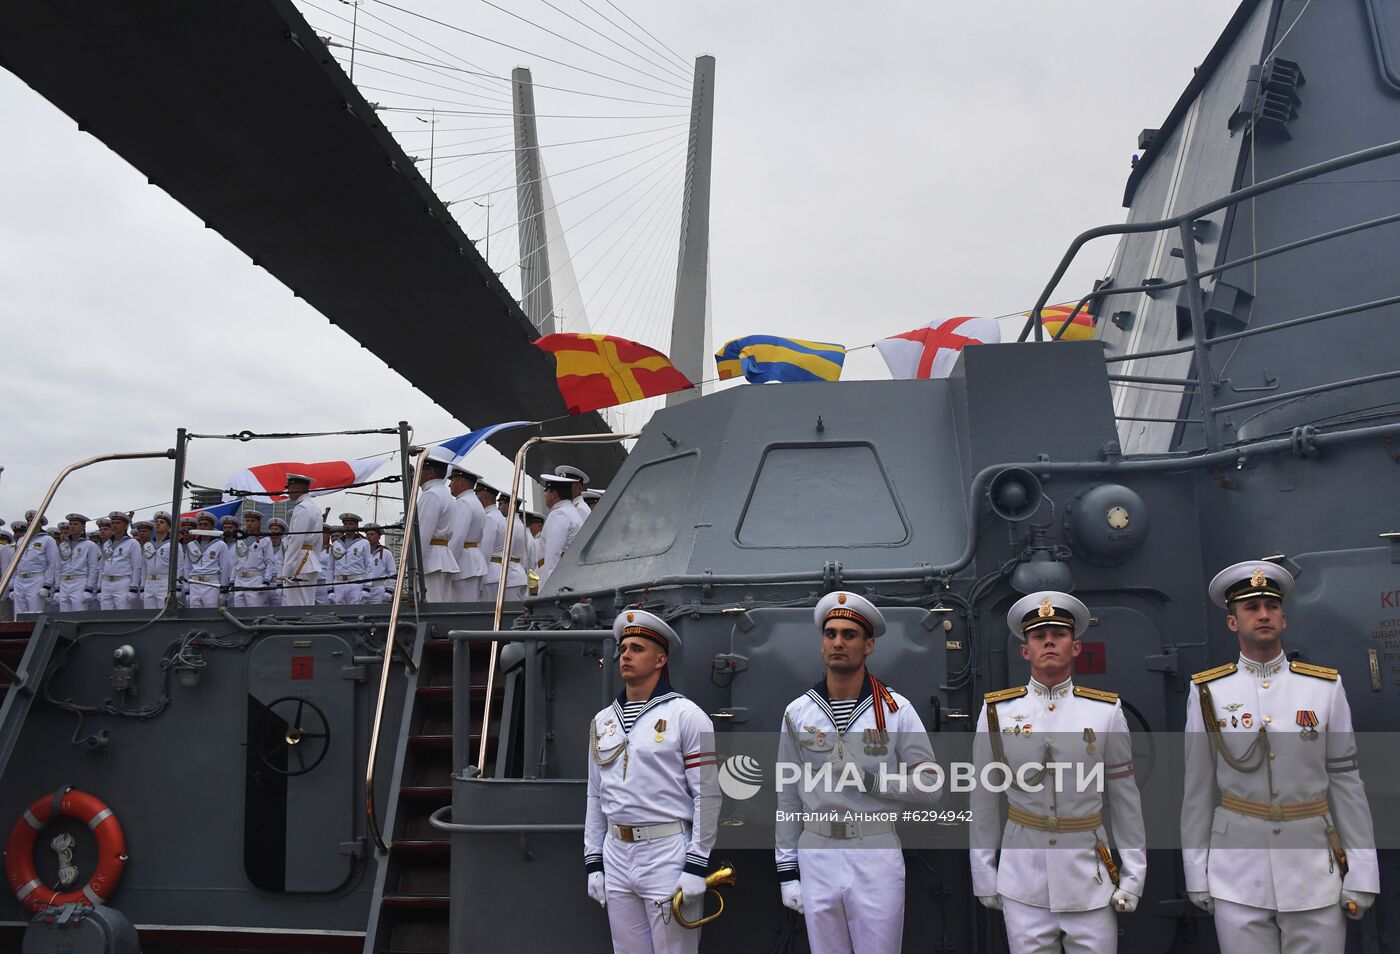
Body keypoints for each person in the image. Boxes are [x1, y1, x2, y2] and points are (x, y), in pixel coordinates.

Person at [1182, 561, 1378, 953]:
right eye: (1251, 608)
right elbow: (1198, 790)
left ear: (1284, 619)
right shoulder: (1208, 693)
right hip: (1237, 874)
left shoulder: (1323, 687)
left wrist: (1363, 870)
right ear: (1233, 623)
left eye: (1271, 607)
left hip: (1314, 872)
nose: (1263, 615)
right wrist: (1196, 871)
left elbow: (1346, 782)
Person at [969, 591, 1145, 953]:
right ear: (1025, 650)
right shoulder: (996, 714)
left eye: (1059, 634)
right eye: (1038, 636)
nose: (1049, 640)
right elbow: (984, 801)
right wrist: (984, 873)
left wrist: (1134, 874)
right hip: (1022, 880)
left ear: (1075, 647)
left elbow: (1126, 799)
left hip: (1090, 879)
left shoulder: (1105, 712)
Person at [774, 591, 940, 954]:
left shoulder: (896, 710)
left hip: (874, 849)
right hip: (816, 850)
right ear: (822, 644)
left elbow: (932, 785)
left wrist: (872, 781)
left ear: (869, 645)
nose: (838, 642)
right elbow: (786, 793)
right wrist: (787, 869)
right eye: (830, 633)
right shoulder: (799, 713)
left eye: (849, 635)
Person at [584, 608, 719, 954]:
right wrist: (594, 859)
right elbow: (595, 796)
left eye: (637, 648)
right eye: (623, 647)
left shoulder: (686, 716)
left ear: (660, 660)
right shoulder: (602, 721)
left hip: (666, 849)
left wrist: (696, 861)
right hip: (617, 851)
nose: (625, 654)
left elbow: (708, 795)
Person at [415, 447, 459, 602]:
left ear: (430, 472)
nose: (416, 475)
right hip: (443, 557)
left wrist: (412, 565)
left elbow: (422, 535)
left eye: (419, 470)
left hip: (431, 561)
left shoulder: (431, 495)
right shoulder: (445, 494)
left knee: (431, 607)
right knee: (443, 606)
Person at [281, 473, 324, 607]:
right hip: (309, 559)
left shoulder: (302, 508)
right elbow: (318, 541)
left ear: (296, 487)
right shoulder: (314, 507)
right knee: (307, 602)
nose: (288, 492)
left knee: (296, 604)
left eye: (290, 488)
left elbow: (296, 540)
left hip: (299, 560)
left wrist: (287, 569)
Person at [447, 465, 487, 602]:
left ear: (461, 481)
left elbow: (457, 538)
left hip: (463, 565)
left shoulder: (463, 503)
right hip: (473, 561)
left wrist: (448, 566)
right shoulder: (476, 503)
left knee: (459, 612)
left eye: (452, 480)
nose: (449, 485)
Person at [537, 473, 582, 587]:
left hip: (558, 581)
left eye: (546, 491)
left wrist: (549, 589)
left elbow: (553, 557)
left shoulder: (559, 514)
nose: (544, 495)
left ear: (554, 494)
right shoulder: (571, 511)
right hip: (568, 576)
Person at [9, 519, 59, 617]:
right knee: (18, 615)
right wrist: (12, 586)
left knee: (35, 614)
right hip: (20, 580)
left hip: (36, 579)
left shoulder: (48, 540)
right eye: (28, 521)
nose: (29, 523)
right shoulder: (21, 541)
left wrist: (47, 586)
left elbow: (53, 564)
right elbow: (15, 564)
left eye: (33, 520)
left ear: (40, 523)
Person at [184, 512, 230, 610]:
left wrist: (223, 590)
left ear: (212, 526)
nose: (202, 527)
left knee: (210, 612)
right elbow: (187, 567)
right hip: (194, 583)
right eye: (200, 524)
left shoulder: (220, 545)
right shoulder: (191, 545)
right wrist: (187, 589)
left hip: (211, 584)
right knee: (194, 612)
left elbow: (225, 568)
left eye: (206, 524)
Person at [99, 512, 143, 611]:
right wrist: (99, 587)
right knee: (105, 614)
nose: (114, 525)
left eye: (118, 523)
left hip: (122, 582)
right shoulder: (106, 544)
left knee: (122, 611)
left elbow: (136, 566)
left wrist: (134, 587)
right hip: (106, 582)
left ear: (126, 526)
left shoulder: (132, 543)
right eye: (113, 523)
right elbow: (102, 566)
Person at [58, 513, 100, 612]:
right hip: (64, 581)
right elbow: (57, 567)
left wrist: (89, 588)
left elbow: (93, 568)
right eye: (71, 524)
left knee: (79, 613)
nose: (72, 526)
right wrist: (56, 588)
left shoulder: (90, 545)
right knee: (63, 615)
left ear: (83, 527)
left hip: (80, 581)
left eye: (76, 524)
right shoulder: (62, 545)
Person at [231, 510, 271, 608]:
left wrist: (266, 581)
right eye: (247, 520)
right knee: (239, 610)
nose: (249, 523)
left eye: (252, 521)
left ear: (259, 523)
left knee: (254, 611)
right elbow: (235, 562)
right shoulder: (239, 539)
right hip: (239, 579)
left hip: (255, 579)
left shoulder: (265, 540)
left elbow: (270, 562)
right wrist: (232, 581)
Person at [493, 492, 529, 602]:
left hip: (510, 577)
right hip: (519, 574)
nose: (499, 507)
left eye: (501, 504)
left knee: (509, 613)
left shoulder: (510, 524)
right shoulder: (521, 525)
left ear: (509, 505)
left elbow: (506, 552)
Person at [332, 513, 369, 605]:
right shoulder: (336, 544)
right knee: (338, 611)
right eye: (345, 524)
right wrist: (330, 589)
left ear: (356, 526)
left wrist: (367, 588)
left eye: (351, 524)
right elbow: (330, 568)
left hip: (356, 581)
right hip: (338, 582)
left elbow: (369, 566)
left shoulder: (364, 543)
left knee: (355, 610)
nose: (348, 526)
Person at [142, 512, 175, 610]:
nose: (158, 524)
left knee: (163, 612)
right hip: (149, 582)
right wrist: (143, 586)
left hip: (164, 582)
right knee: (148, 614)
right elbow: (144, 567)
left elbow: (179, 566)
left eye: (162, 522)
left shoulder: (173, 544)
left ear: (169, 527)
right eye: (156, 522)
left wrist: (176, 587)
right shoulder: (147, 545)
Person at [362, 523, 396, 603]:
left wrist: (389, 590)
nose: (369, 536)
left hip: (379, 589)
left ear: (379, 537)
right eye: (367, 534)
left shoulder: (386, 553)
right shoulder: (361, 552)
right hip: (362, 588)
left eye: (372, 534)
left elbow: (392, 572)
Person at [264, 517, 288, 606]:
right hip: (264, 583)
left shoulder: (285, 548)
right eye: (272, 529)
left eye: (276, 529)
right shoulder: (263, 546)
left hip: (279, 584)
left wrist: (280, 584)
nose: (273, 531)